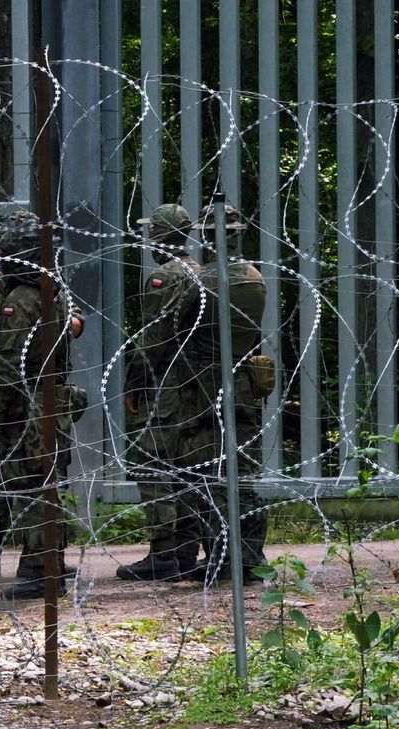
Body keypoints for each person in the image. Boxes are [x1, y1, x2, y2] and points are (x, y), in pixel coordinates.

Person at [127, 201, 271, 585]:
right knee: (237, 474)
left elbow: (161, 336)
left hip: (197, 388)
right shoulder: (252, 277)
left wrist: (135, 381)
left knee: (201, 475)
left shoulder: (199, 280)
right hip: (241, 384)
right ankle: (244, 556)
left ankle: (220, 558)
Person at [0, 210, 86, 600]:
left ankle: (39, 570)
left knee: (33, 483)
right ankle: (42, 562)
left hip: (23, 404)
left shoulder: (25, 297)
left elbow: (7, 359)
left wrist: (6, 400)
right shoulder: (45, 289)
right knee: (42, 481)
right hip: (41, 398)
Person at [118, 204, 203, 581]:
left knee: (151, 463)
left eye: (151, 233)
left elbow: (154, 338)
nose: (148, 239)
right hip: (196, 384)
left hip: (166, 384)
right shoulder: (200, 272)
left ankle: (163, 553)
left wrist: (134, 383)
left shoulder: (163, 277)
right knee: (186, 466)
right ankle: (185, 551)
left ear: (161, 236)